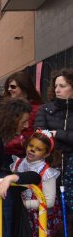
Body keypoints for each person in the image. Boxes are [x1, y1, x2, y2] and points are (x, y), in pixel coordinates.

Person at [10, 130, 61, 237]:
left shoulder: (47, 172)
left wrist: (26, 204)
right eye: (31, 146)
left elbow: (49, 201)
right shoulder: (18, 163)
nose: (32, 150)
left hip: (38, 216)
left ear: (46, 154)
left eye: (38, 149)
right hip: (20, 213)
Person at [35, 68, 73, 213]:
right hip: (51, 164)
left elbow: (51, 134)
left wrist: (58, 134)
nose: (57, 89)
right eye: (56, 85)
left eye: (62, 86)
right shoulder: (45, 109)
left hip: (71, 165)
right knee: (51, 206)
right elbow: (41, 136)